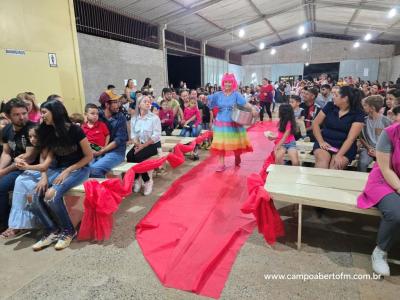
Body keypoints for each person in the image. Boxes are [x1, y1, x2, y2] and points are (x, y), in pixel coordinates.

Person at [29, 100, 93, 250]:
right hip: (57, 169)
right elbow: (44, 158)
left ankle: (69, 230)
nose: (41, 115)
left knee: (51, 195)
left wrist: (67, 170)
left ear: (55, 112)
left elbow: (89, 156)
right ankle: (52, 230)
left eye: (44, 112)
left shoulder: (75, 130)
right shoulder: (47, 131)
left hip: (79, 169)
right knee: (32, 196)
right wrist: (44, 177)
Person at [357, 121, 400, 276]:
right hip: (385, 180)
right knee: (396, 214)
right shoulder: (390, 133)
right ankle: (380, 251)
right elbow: (386, 168)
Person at [1, 126, 53, 238]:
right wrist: (17, 160)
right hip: (42, 171)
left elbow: (44, 166)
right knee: (20, 180)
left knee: (28, 185)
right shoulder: (38, 146)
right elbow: (21, 157)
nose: (32, 139)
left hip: (53, 171)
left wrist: (27, 167)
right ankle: (17, 223)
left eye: (35, 136)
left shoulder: (49, 146)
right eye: (30, 136)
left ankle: (30, 223)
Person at [207, 73, 257, 171]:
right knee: (220, 144)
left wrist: (253, 109)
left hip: (234, 122)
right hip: (220, 122)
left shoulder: (236, 94)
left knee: (235, 143)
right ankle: (221, 164)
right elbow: (210, 101)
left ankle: (237, 156)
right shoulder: (218, 95)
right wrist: (204, 98)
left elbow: (245, 103)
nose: (228, 84)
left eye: (230, 82)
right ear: (223, 83)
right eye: (226, 82)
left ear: (233, 83)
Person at [0, 99, 36, 231]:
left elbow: (30, 158)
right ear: (8, 116)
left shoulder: (33, 129)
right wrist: (1, 169)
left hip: (30, 168)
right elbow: (6, 153)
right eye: (17, 114)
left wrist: (3, 172)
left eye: (24, 113)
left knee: (1, 186)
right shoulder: (7, 130)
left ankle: (7, 224)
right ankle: (7, 219)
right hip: (15, 165)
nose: (22, 117)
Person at [312, 86, 365, 170]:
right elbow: (315, 123)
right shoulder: (330, 106)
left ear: (345, 98)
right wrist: (321, 142)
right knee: (322, 162)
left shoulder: (358, 113)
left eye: (336, 95)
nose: (333, 97)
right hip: (325, 142)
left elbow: (350, 139)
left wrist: (339, 155)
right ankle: (317, 182)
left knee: (335, 166)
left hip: (344, 147)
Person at [127, 96, 161, 196]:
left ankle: (147, 181)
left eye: (149, 101)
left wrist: (142, 146)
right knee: (129, 156)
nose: (148, 103)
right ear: (139, 104)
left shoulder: (154, 118)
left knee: (138, 156)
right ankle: (137, 178)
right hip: (140, 143)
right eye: (145, 101)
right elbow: (133, 135)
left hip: (152, 144)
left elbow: (156, 136)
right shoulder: (134, 119)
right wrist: (137, 144)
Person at [89, 93, 128, 178]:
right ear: (107, 104)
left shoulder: (120, 117)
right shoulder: (98, 115)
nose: (118, 105)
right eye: (115, 102)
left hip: (116, 152)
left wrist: (102, 150)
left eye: (118, 102)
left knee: (94, 169)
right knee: (83, 169)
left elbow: (119, 139)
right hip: (98, 149)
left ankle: (105, 190)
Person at [359, 95, 391, 172]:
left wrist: (378, 151)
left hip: (383, 150)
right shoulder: (363, 121)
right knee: (362, 163)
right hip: (368, 148)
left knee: (384, 165)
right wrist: (368, 148)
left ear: (372, 108)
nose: (363, 107)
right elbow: (361, 137)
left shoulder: (386, 121)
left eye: (365, 105)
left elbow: (390, 140)